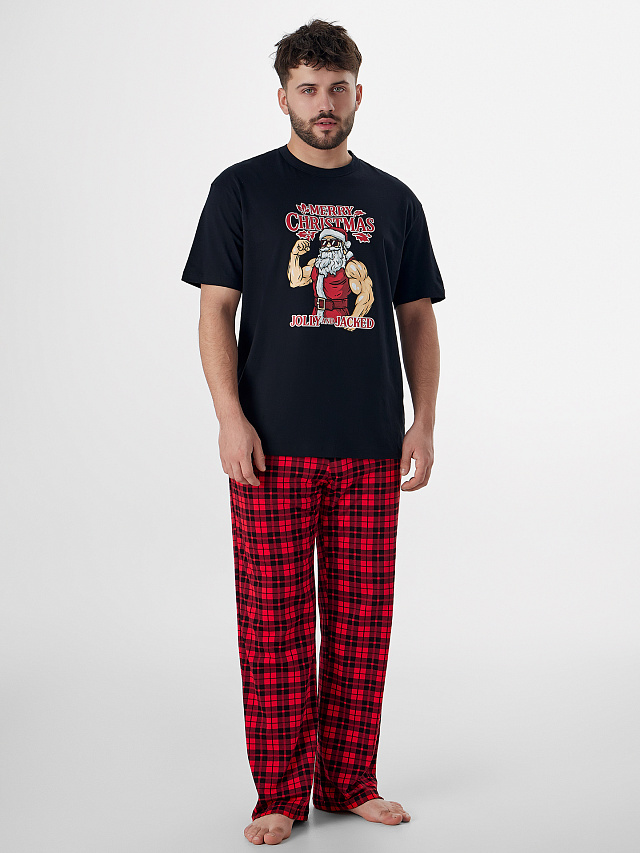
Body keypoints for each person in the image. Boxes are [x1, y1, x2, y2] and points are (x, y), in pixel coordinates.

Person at [180, 18, 445, 846]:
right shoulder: (241, 190)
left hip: (371, 448)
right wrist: (230, 418)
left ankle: (348, 778)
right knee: (275, 627)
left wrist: (423, 422)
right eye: (307, 89)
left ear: (358, 94)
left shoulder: (395, 200)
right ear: (283, 97)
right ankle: (280, 793)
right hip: (270, 448)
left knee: (363, 625)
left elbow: (416, 319)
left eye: (336, 89)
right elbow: (215, 311)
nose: (323, 104)